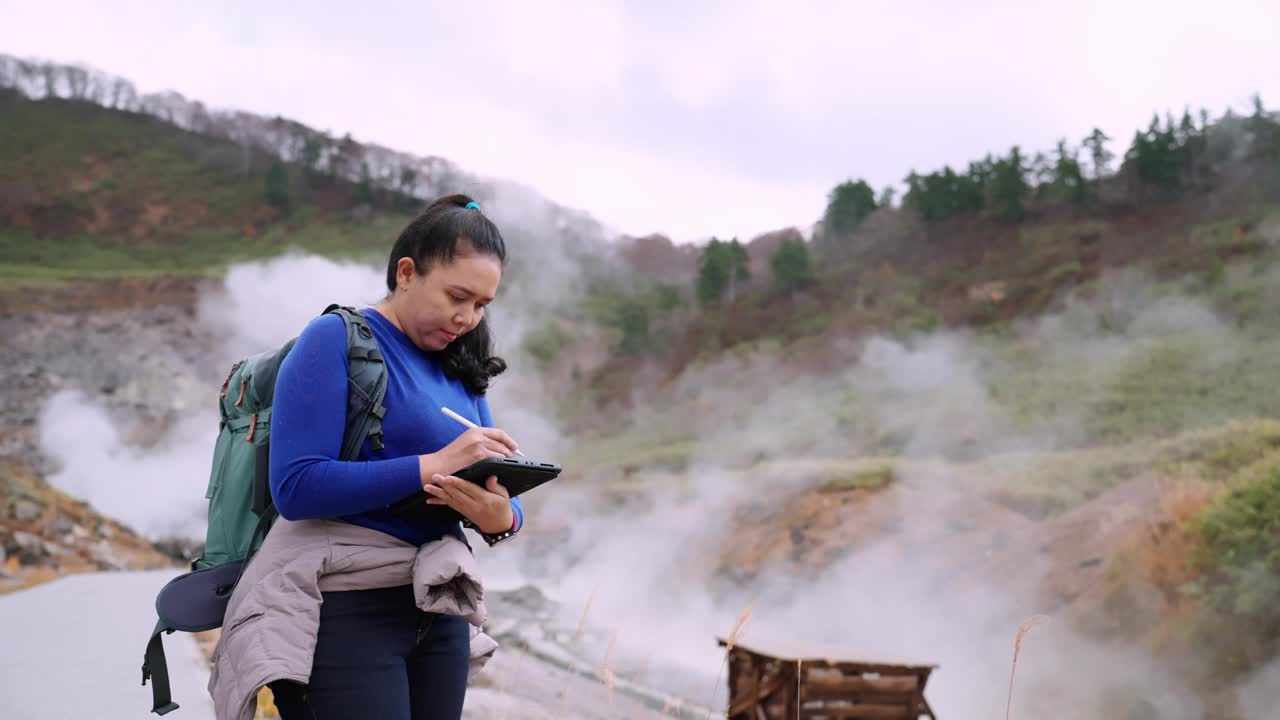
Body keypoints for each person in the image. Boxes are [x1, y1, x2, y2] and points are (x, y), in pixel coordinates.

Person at [255, 193, 523, 720]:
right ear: (406, 272)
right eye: (456, 296)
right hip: (346, 610)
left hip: (440, 605)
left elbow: (502, 499)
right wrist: (434, 465)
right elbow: (296, 487)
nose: (467, 317)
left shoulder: (459, 367)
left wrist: (501, 518)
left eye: (481, 305)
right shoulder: (334, 339)